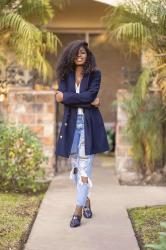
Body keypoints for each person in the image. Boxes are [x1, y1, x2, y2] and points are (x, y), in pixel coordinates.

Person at [55, 40, 109, 228]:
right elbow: (86, 99)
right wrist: (89, 101)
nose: (80, 56)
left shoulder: (95, 74)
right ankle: (86, 201)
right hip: (71, 127)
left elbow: (73, 97)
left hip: (88, 126)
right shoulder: (64, 74)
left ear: (87, 56)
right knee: (77, 168)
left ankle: (77, 211)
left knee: (85, 168)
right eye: (76, 53)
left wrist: (68, 98)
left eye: (83, 53)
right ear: (71, 55)